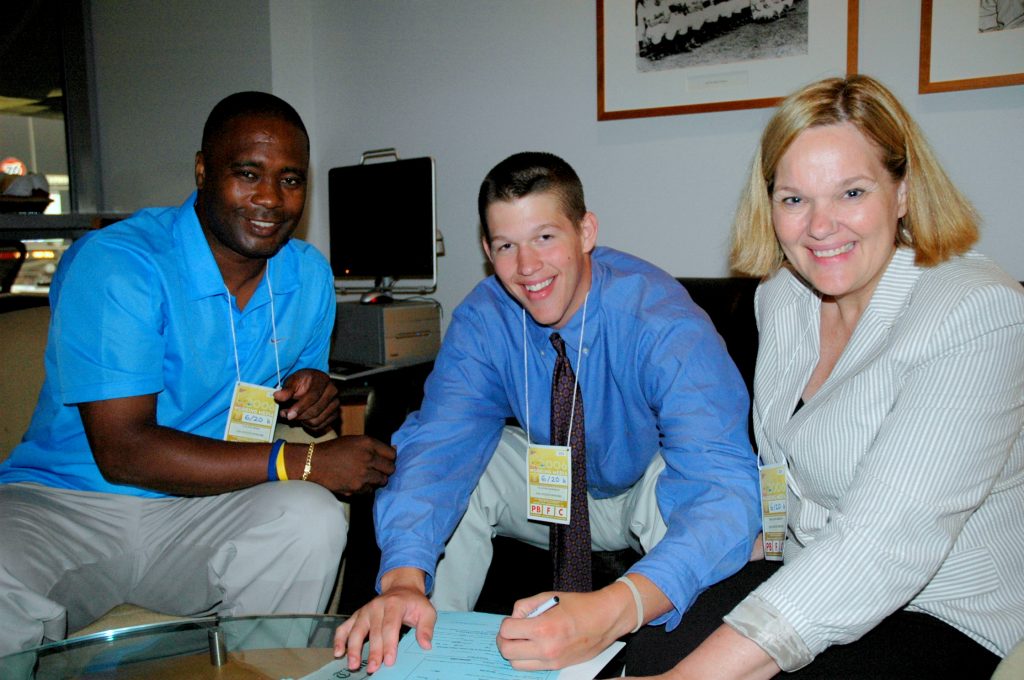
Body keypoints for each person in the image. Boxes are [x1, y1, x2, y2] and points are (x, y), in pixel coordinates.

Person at [622, 74, 1024, 678]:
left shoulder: (977, 312)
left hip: (938, 610)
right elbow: (781, 471)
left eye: (851, 192)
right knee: (648, 651)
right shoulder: (782, 297)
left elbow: (883, 545)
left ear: (904, 191)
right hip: (804, 568)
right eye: (794, 198)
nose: (819, 226)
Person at [0, 91, 396, 654]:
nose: (271, 199)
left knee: (311, 517)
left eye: (290, 180)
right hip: (65, 504)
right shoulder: (120, 263)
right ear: (203, 169)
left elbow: (300, 388)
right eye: (247, 173)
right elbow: (123, 451)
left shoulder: (307, 276)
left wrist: (318, 398)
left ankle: (259, 669)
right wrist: (306, 460)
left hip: (204, 510)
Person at [334, 151, 761, 673]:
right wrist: (402, 575)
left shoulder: (660, 318)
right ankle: (428, 652)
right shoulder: (485, 318)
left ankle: (652, 660)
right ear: (488, 251)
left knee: (684, 486)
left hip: (643, 486)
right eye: (506, 246)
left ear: (585, 232)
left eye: (544, 238)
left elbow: (721, 484)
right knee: (472, 461)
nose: (527, 267)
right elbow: (441, 444)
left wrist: (613, 607)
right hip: (553, 487)